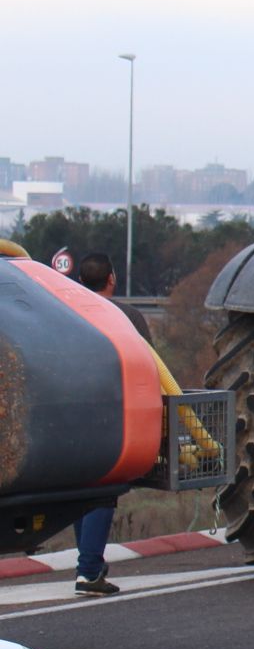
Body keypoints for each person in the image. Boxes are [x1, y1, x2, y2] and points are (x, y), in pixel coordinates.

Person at [72, 251, 153, 596]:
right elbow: (152, 367)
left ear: (78, 282)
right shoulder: (128, 316)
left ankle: (90, 563)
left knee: (79, 488)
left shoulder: (64, 313)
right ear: (112, 280)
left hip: (68, 415)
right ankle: (89, 572)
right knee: (103, 491)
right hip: (111, 415)